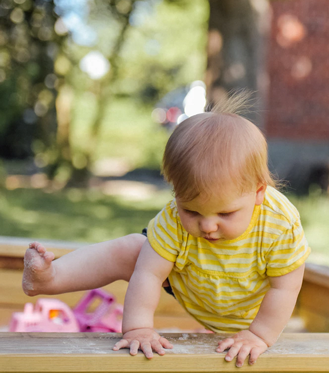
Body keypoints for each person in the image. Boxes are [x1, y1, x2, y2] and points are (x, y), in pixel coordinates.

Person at [21, 91, 311, 367]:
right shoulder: (172, 219)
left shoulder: (279, 224)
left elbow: (285, 287)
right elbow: (148, 274)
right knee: (133, 250)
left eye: (226, 213)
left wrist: (259, 335)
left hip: (252, 307)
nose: (208, 226)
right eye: (192, 211)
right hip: (193, 281)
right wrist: (138, 328)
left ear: (259, 193)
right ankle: (50, 278)